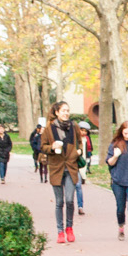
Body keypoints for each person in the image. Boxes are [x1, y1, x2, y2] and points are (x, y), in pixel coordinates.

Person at [43, 103, 85, 244]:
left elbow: (80, 142)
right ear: (56, 112)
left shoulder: (74, 126)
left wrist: (79, 151)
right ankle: (60, 231)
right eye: (63, 111)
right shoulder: (49, 128)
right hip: (56, 168)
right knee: (59, 202)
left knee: (69, 200)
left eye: (68, 110)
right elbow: (42, 146)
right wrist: (51, 147)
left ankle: (69, 228)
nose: (66, 113)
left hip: (71, 167)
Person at [106, 120, 128, 243]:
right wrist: (116, 155)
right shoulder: (115, 144)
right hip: (118, 180)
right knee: (120, 208)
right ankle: (121, 226)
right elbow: (109, 162)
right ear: (121, 132)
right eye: (125, 133)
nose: (127, 136)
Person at [29, 118, 48, 183]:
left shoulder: (47, 137)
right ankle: (41, 177)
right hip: (39, 152)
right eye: (42, 130)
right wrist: (36, 148)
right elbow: (33, 142)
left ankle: (45, 177)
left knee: (45, 165)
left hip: (45, 152)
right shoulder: (37, 137)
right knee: (41, 165)